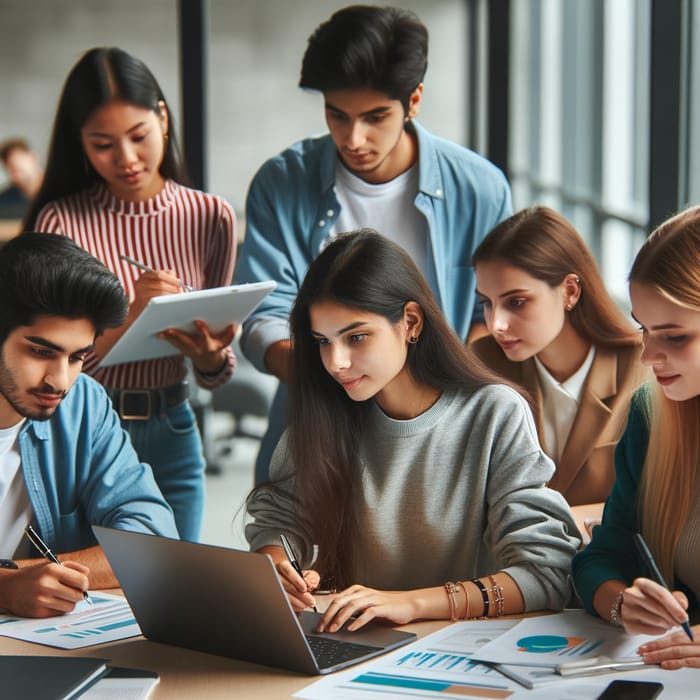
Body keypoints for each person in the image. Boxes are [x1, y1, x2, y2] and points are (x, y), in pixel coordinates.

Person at [246, 230, 579, 632]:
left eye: (356, 337)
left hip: (462, 647)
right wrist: (279, 567)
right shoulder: (328, 412)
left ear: (410, 322)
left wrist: (412, 604)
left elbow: (546, 573)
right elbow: (279, 522)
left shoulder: (494, 413)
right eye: (322, 341)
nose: (335, 362)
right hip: (354, 643)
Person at [235, 4, 512, 483]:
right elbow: (265, 316)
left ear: (414, 100)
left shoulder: (480, 188)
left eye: (375, 117)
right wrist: (332, 371)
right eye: (336, 115)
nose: (354, 137)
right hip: (315, 419)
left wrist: (428, 390)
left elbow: (490, 317)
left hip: (441, 424)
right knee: (290, 545)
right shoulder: (281, 182)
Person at [23, 47, 238, 541]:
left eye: (138, 136)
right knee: (85, 593)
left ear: (162, 118)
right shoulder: (61, 221)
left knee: (175, 597)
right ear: (79, 142)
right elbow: (51, 366)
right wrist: (136, 313)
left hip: (174, 427)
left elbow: (218, 375)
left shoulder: (210, 217)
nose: (126, 159)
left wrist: (208, 356)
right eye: (102, 144)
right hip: (80, 431)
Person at [0, 232, 178, 618]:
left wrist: (22, 575)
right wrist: (4, 587)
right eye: (41, 352)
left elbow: (152, 539)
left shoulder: (84, 403)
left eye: (77, 357)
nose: (59, 380)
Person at [573, 205, 700, 670]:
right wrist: (621, 602)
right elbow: (602, 556)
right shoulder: (654, 416)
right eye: (644, 329)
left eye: (675, 336)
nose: (647, 356)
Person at [471, 206, 642, 506]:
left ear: (570, 292)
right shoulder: (482, 364)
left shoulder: (642, 367)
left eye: (517, 302)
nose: (496, 324)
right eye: (487, 302)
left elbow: (653, 504)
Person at [0, 138, 43, 219]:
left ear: (34, 157)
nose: (13, 162)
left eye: (19, 159)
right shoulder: (4, 200)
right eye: (8, 164)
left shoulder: (59, 190)